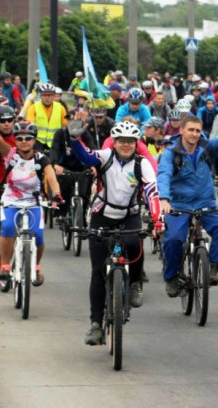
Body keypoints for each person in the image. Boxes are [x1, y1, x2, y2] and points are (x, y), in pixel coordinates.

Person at [68, 120, 162, 345]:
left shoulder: (142, 164)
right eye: (122, 141)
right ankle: (96, 325)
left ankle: (135, 283)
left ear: (136, 143)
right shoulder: (105, 156)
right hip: (102, 216)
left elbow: (152, 192)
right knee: (98, 271)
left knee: (135, 243)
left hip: (129, 216)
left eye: (131, 141)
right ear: (115, 142)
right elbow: (86, 157)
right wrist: (75, 139)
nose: (126, 145)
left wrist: (158, 219)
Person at [158, 115, 218, 296]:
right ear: (182, 131)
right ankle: (171, 277)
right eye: (191, 130)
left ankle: (214, 266)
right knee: (174, 239)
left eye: (197, 131)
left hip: (205, 201)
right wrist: (164, 198)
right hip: (179, 203)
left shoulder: (207, 148)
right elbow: (164, 174)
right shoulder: (171, 153)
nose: (194, 134)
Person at [0, 121, 62, 282]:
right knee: (7, 228)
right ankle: (5, 266)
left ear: (34, 140)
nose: (24, 141)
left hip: (34, 201)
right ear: (15, 140)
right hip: (11, 200)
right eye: (19, 138)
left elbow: (51, 178)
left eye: (28, 138)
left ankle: (36, 266)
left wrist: (56, 194)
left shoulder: (42, 159)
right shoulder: (10, 154)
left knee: (39, 236)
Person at [50, 113, 95, 226]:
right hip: (64, 167)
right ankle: (62, 212)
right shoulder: (60, 133)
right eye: (69, 120)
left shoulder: (84, 133)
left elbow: (92, 147)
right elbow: (54, 149)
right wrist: (55, 164)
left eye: (74, 120)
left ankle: (83, 216)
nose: (72, 123)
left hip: (82, 167)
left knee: (85, 190)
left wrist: (94, 164)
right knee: (64, 186)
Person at [25, 83, 68, 150]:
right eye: (44, 95)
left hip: (55, 141)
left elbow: (65, 126)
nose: (47, 98)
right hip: (38, 141)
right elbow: (30, 125)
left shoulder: (61, 108)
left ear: (53, 96)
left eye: (49, 95)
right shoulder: (33, 107)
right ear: (40, 96)